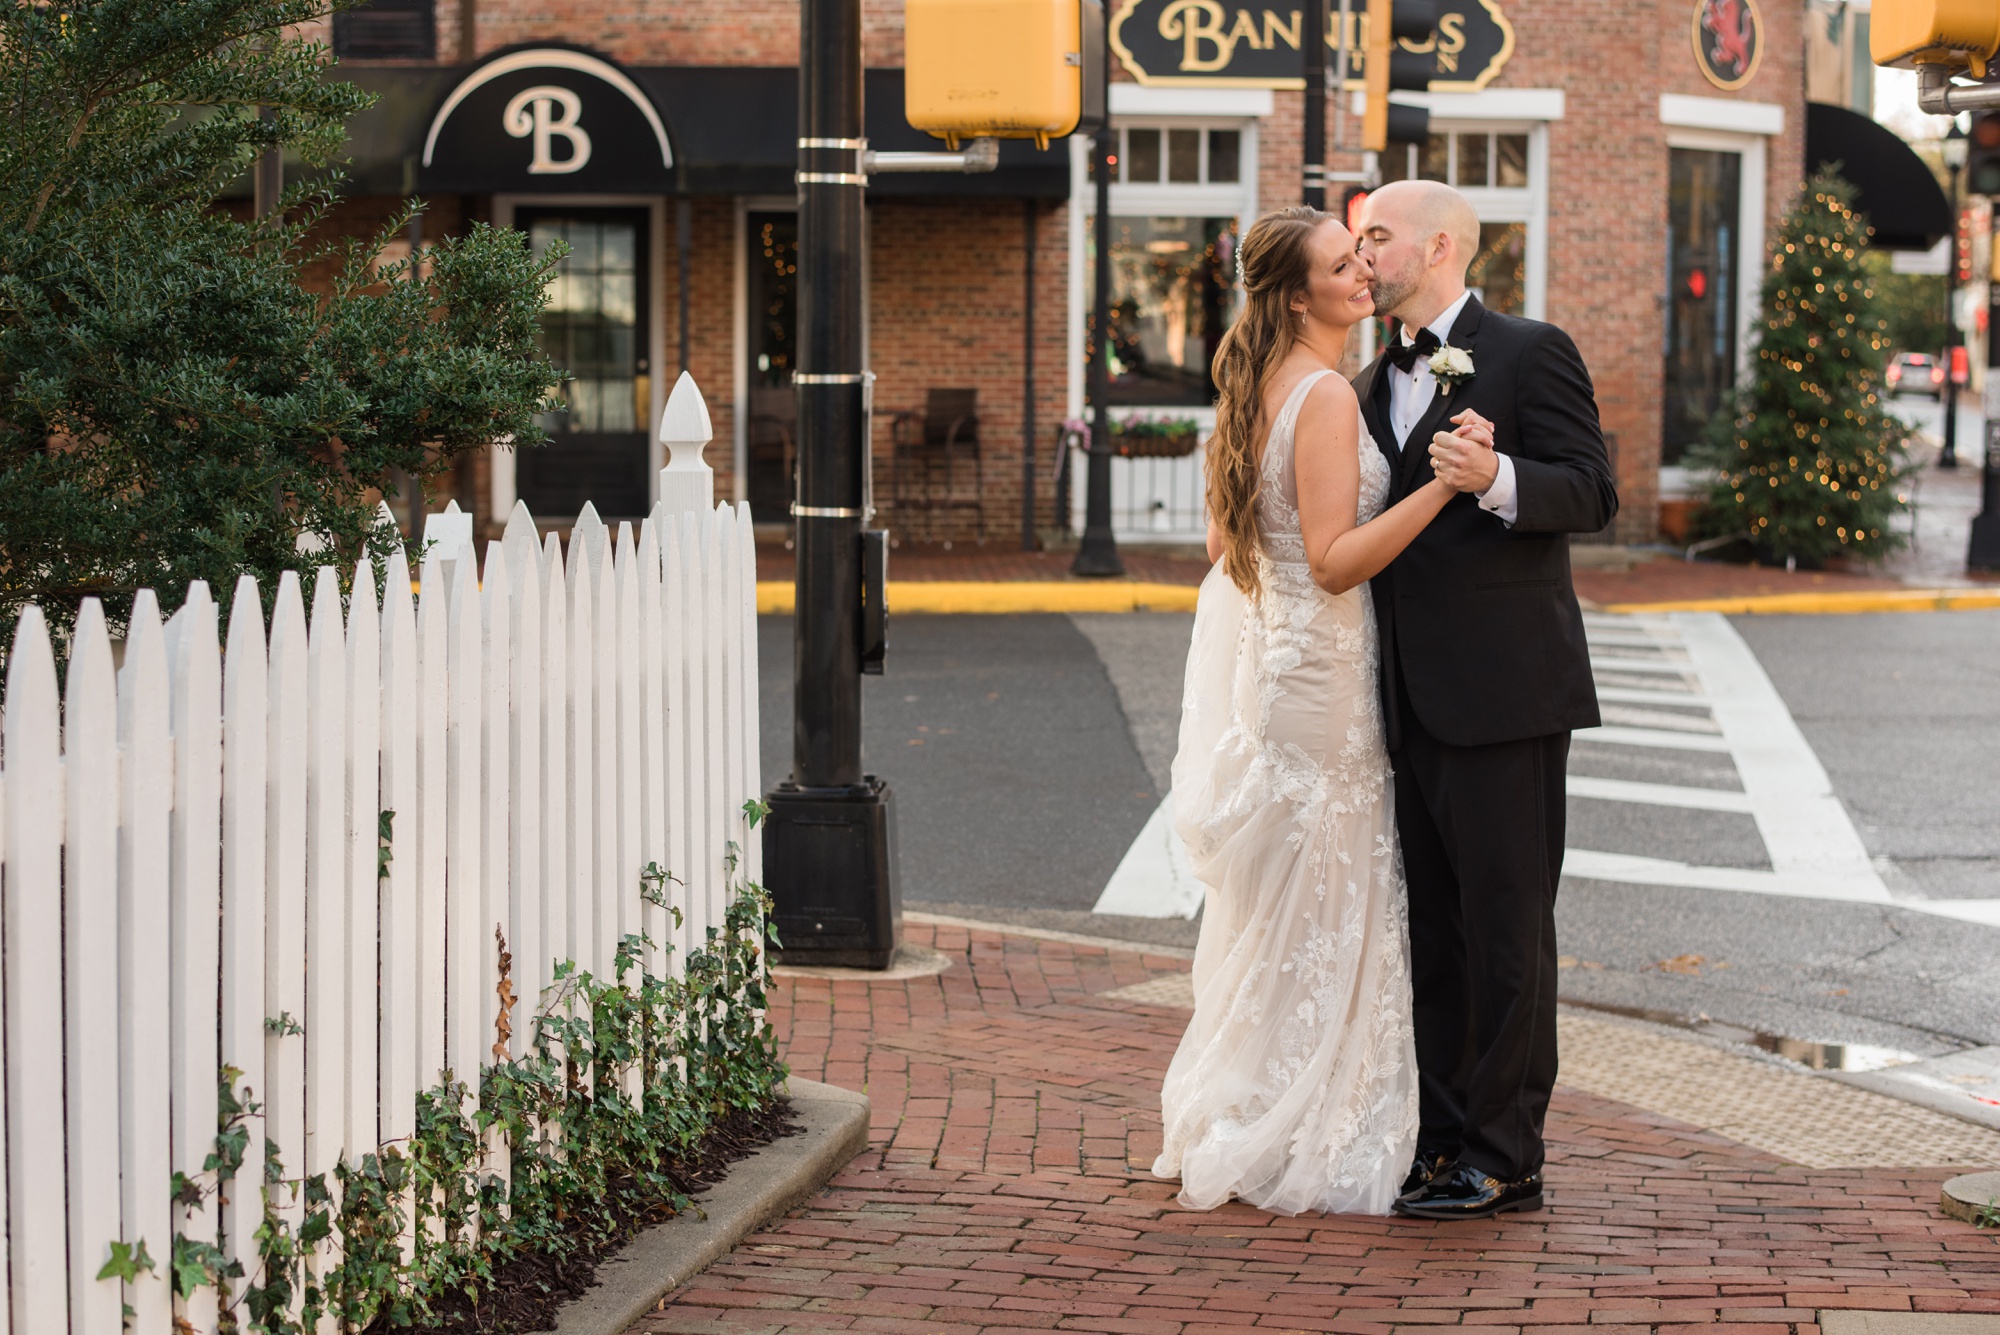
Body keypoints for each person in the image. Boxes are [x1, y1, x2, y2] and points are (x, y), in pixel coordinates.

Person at [1153, 206, 1498, 1216]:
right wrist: (1437, 490)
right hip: (1326, 676)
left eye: (1360, 258)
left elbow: (1230, 552)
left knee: (1283, 899)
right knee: (1329, 887)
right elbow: (1338, 561)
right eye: (1341, 266)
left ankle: (1252, 1094)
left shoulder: (1253, 387)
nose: (1360, 276)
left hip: (1281, 666)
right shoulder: (1325, 399)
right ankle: (1300, 1119)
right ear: (1297, 295)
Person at [1352, 180, 1618, 1220]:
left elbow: (1590, 491)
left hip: (1506, 694)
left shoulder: (1528, 348)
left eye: (1376, 235)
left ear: (1441, 244)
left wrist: (1498, 473)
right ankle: (1442, 1140)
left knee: (1507, 934)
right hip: (1406, 696)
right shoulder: (1373, 375)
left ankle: (1504, 1155)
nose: (1363, 252)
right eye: (1358, 239)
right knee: (1436, 938)